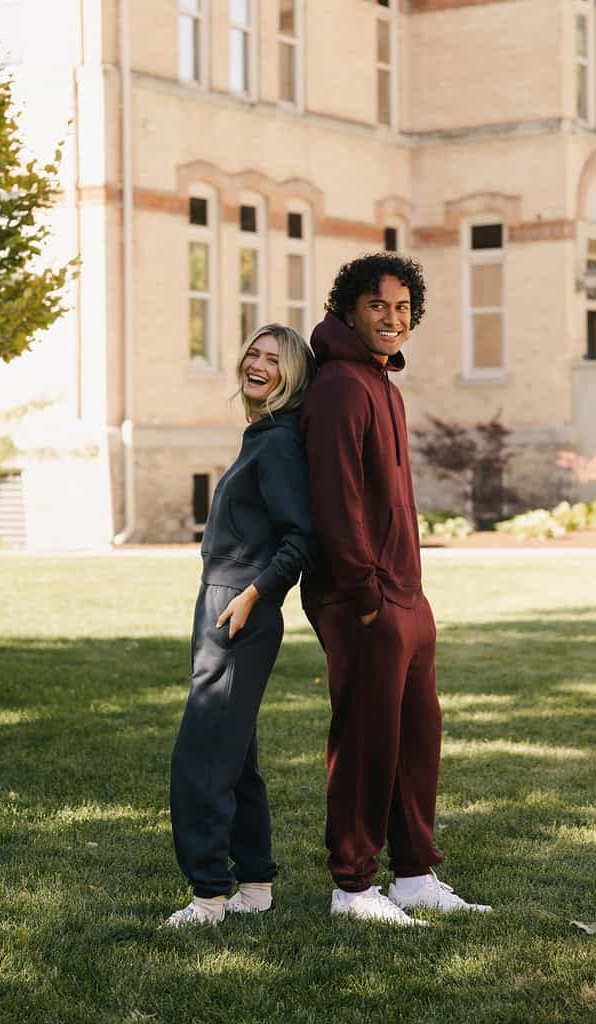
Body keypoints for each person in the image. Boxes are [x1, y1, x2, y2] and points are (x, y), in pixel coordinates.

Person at [300, 253, 492, 925]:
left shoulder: (382, 384)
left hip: (405, 593)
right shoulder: (339, 387)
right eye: (379, 305)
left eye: (404, 307)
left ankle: (412, 875)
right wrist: (364, 594)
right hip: (362, 597)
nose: (393, 318)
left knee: (416, 739)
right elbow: (337, 499)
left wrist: (406, 593)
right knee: (366, 742)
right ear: (349, 310)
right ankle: (353, 888)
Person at [166, 323, 315, 927]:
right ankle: (254, 885)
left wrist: (254, 595)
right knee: (235, 755)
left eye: (274, 359)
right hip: (222, 599)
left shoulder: (278, 443)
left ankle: (208, 896)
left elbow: (302, 538)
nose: (258, 364)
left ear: (293, 375)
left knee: (201, 756)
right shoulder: (262, 436)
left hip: (239, 607)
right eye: (254, 353)